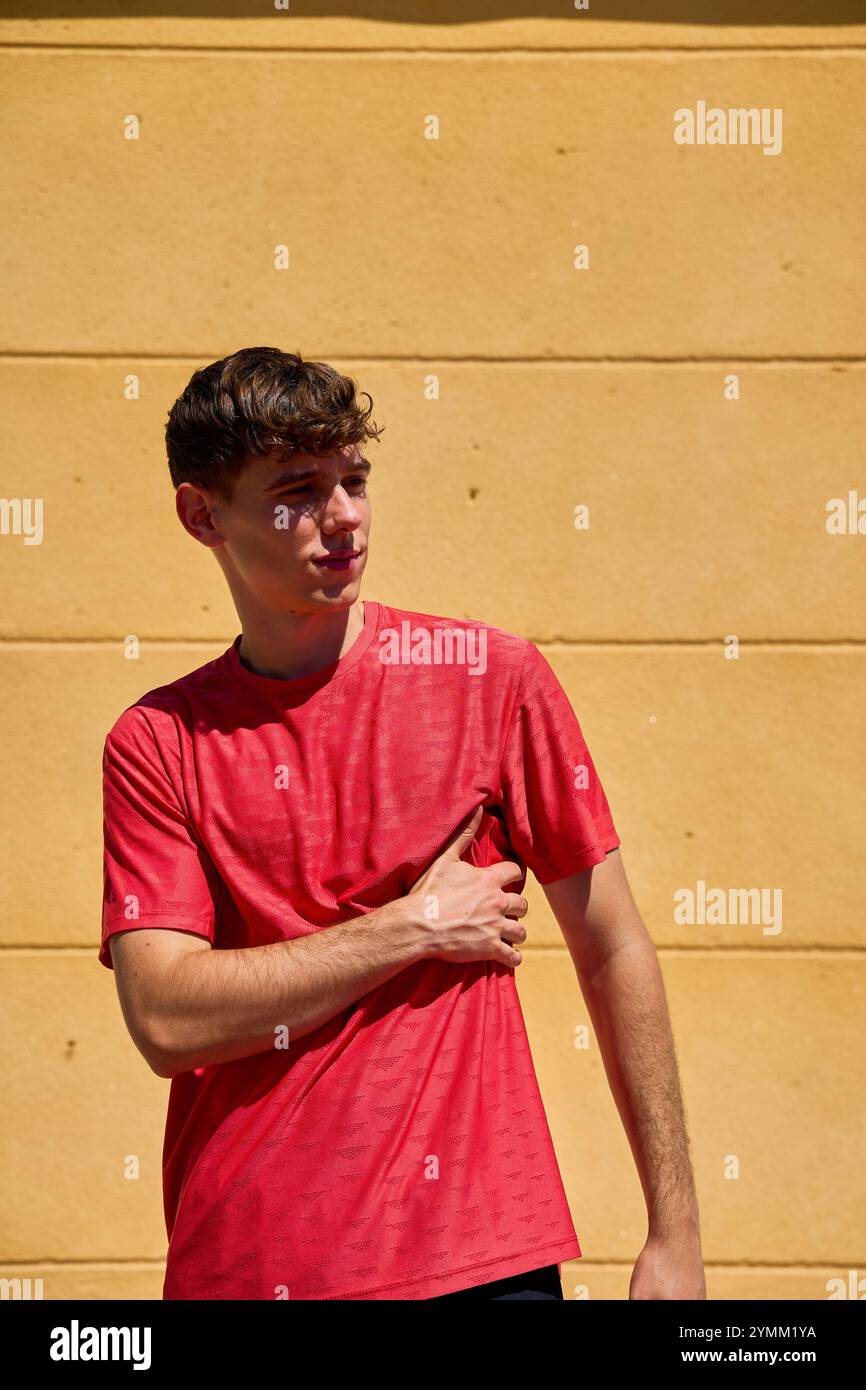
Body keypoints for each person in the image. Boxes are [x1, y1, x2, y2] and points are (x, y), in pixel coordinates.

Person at [100, 346, 707, 1301]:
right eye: (299, 489)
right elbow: (168, 1018)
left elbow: (613, 945)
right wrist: (413, 927)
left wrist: (674, 1237)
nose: (343, 516)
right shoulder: (158, 741)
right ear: (201, 514)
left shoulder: (491, 680)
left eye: (355, 480)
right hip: (250, 1264)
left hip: (482, 1257)